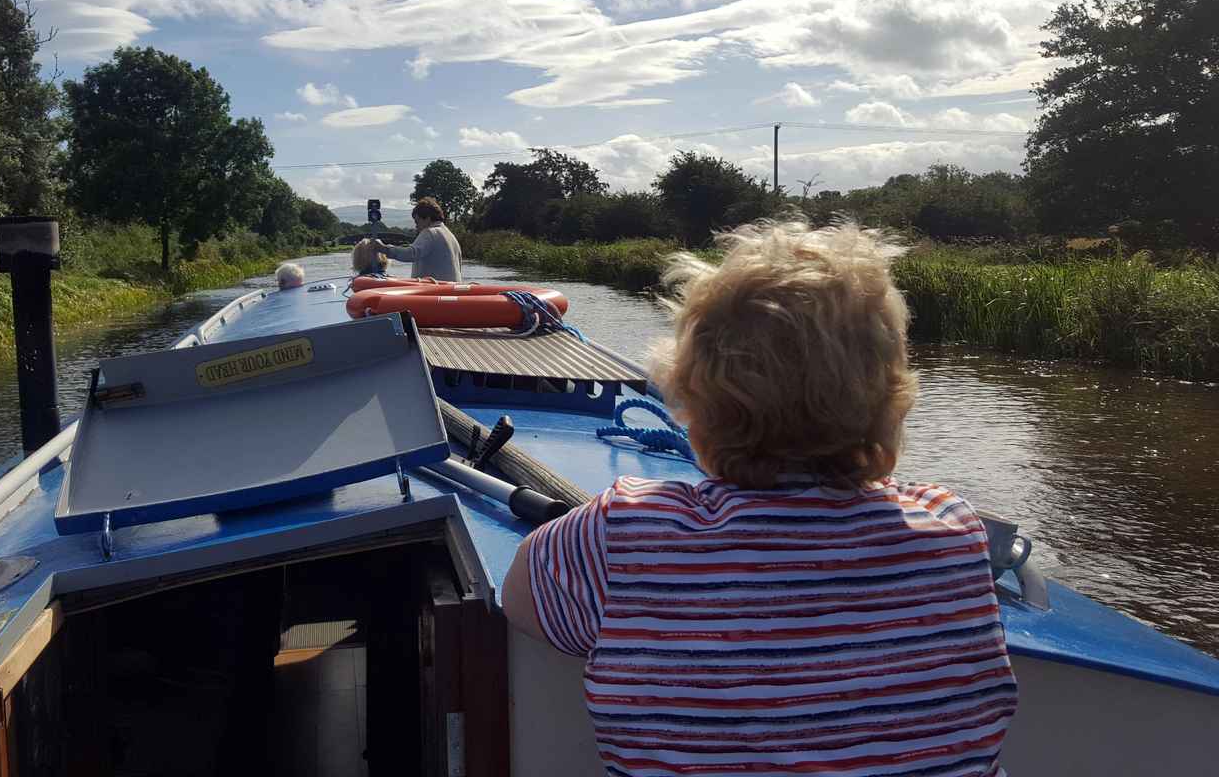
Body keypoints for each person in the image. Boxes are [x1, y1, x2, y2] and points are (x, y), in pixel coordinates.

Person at [503, 218, 1016, 777]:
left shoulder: (620, 532)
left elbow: (520, 600)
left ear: (694, 409)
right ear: (893, 405)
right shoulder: (953, 527)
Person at [380, 197, 463, 282]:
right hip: (452, 290)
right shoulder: (451, 236)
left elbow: (411, 254)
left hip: (433, 291)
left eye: (417, 222)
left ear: (427, 218)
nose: (416, 227)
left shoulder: (429, 233)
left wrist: (385, 249)